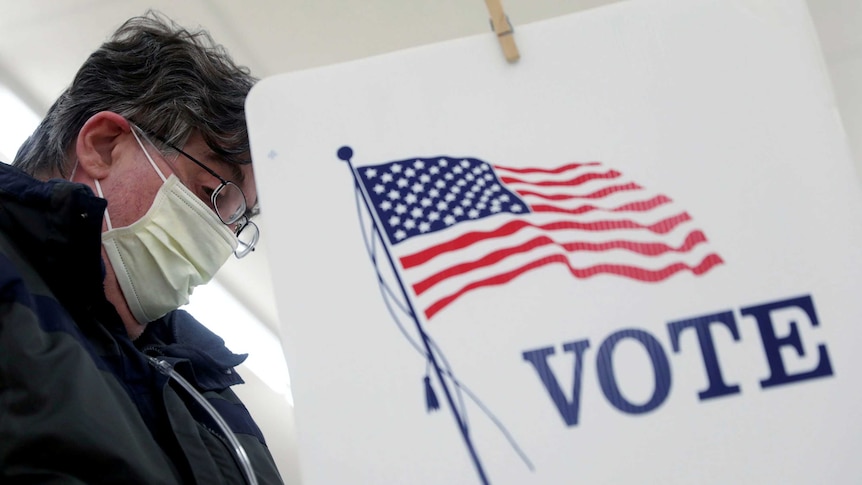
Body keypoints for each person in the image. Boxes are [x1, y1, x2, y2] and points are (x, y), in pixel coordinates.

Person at [0, 11, 284, 484]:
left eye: (239, 219)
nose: (224, 237)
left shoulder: (208, 391)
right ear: (104, 145)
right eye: (214, 193)